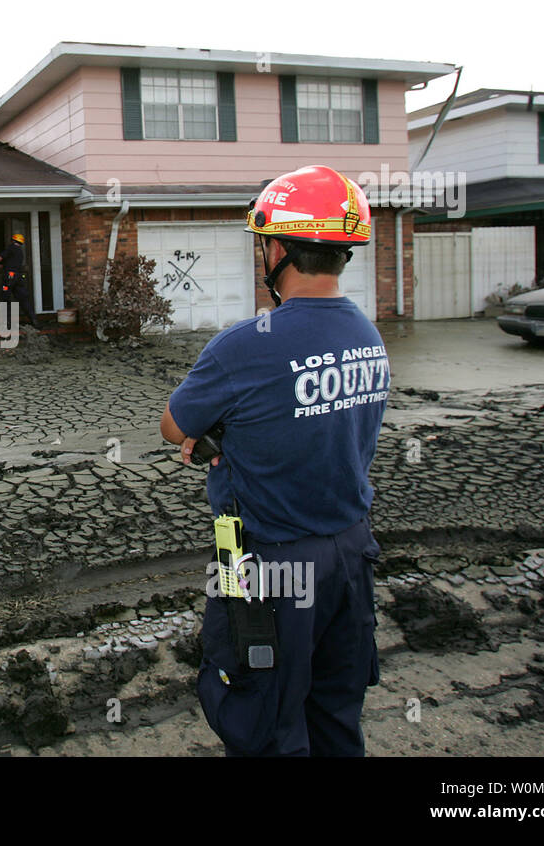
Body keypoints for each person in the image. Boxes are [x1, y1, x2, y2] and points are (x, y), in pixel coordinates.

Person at [159, 165, 388, 757]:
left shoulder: (245, 343)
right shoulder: (368, 334)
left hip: (264, 561)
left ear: (278, 249)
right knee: (335, 713)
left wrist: (215, 435)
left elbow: (172, 426)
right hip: (351, 553)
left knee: (261, 718)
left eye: (264, 244)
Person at [0, 233, 38, 326]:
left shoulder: (11, 248)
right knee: (23, 298)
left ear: (13, 240)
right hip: (18, 278)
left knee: (5, 298)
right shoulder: (20, 252)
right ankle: (33, 319)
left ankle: (7, 322)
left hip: (9, 278)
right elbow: (8, 265)